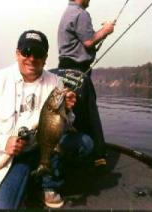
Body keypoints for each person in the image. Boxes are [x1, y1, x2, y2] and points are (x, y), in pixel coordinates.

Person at [0, 30, 94, 209]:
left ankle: (48, 184)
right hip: (13, 157)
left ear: (45, 57)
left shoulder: (55, 82)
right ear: (17, 53)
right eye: (26, 52)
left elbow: (63, 124)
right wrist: (4, 141)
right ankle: (32, 180)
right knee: (3, 207)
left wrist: (68, 109)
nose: (32, 58)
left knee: (85, 143)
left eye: (38, 53)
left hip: (44, 146)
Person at [57, 0, 115, 167]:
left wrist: (102, 31)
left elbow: (83, 40)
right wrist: (106, 30)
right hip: (78, 69)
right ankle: (98, 156)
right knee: (89, 112)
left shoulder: (68, 12)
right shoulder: (81, 13)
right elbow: (89, 42)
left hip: (65, 69)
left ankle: (72, 154)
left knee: (73, 111)